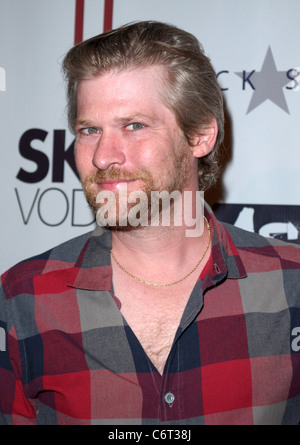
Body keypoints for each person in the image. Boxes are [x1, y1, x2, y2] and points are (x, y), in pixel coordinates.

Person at [0, 21, 299, 426]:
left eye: (134, 125)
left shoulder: (291, 283)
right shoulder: (23, 296)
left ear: (200, 137)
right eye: (89, 130)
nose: (104, 156)